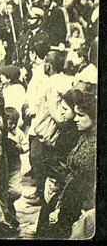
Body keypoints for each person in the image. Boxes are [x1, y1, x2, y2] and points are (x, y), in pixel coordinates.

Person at [48, 92, 96, 238]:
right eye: (75, 114)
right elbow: (72, 175)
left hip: (83, 205)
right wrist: (59, 205)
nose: (75, 119)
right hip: (71, 198)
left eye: (81, 116)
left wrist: (88, 210)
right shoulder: (85, 135)